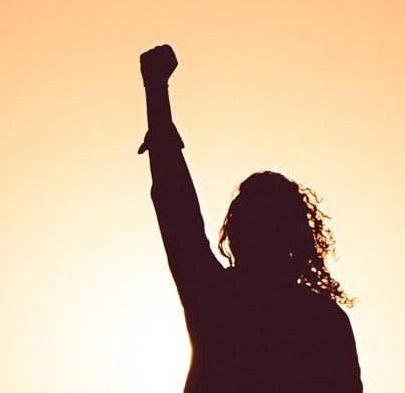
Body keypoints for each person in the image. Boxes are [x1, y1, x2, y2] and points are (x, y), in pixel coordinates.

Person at [138, 44, 364, 393]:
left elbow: (176, 208)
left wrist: (156, 91)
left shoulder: (215, 295)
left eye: (257, 223)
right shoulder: (321, 318)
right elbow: (175, 206)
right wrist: (156, 95)